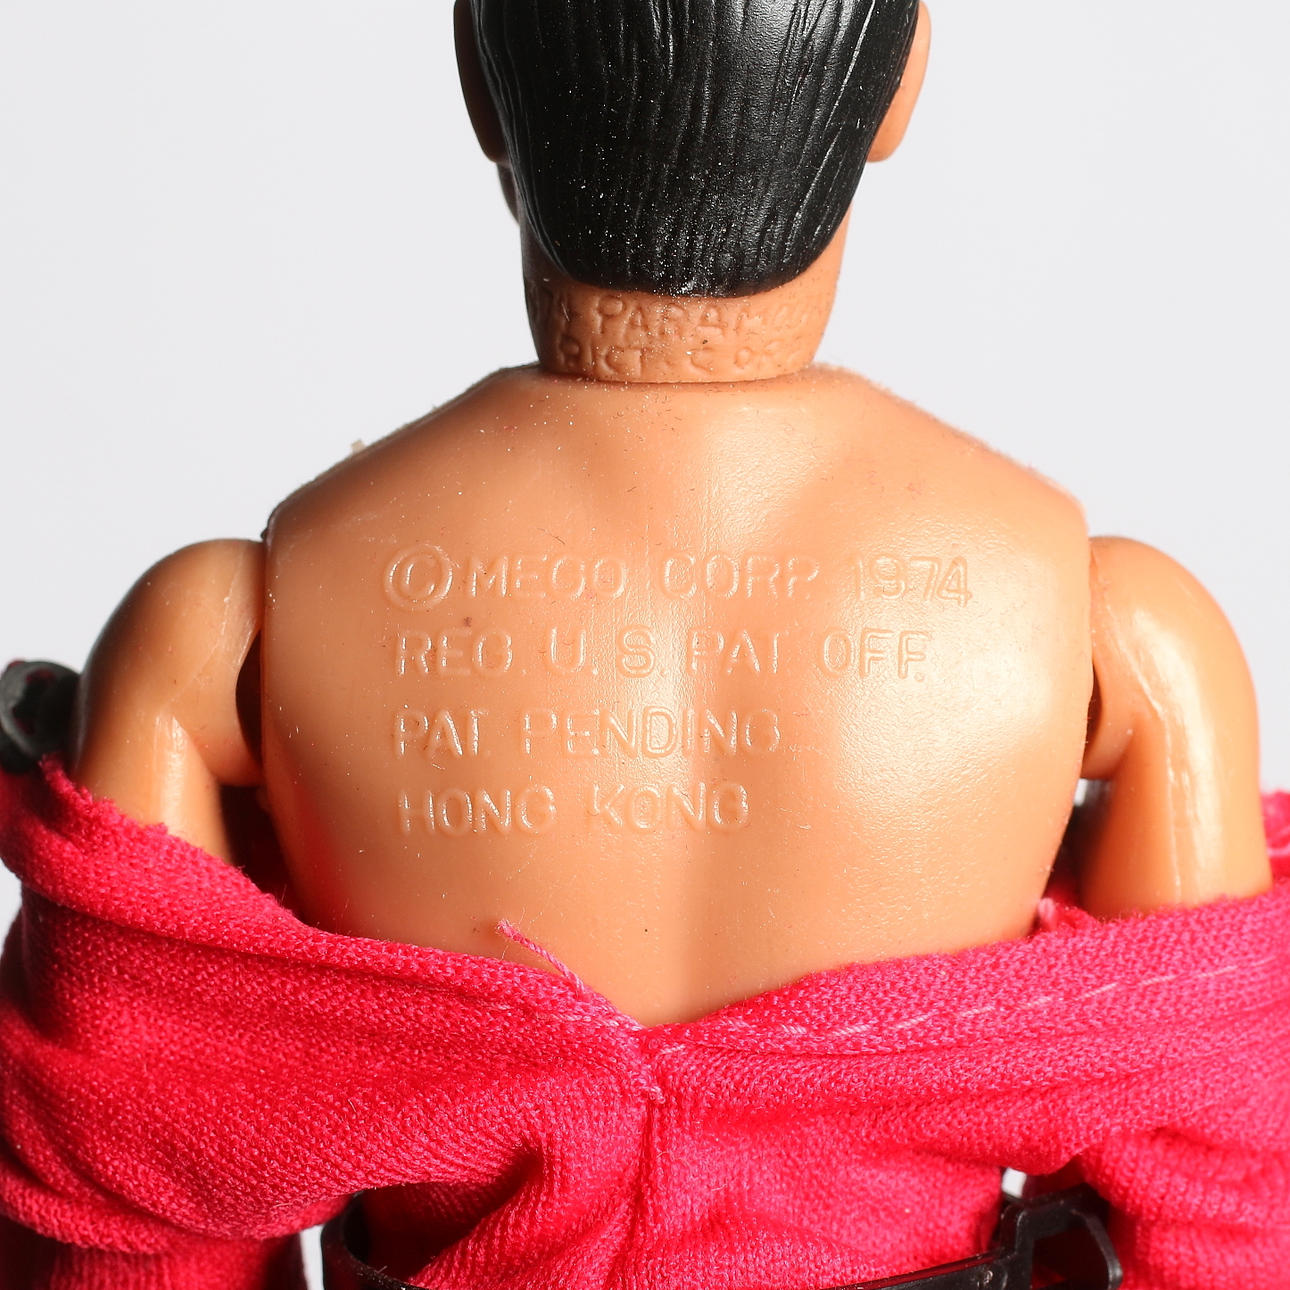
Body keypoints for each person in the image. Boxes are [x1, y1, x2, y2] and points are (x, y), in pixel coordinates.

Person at [0, 3, 1284, 1288]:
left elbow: (130, 1224)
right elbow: (1223, 1210)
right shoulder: (1125, 636)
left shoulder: (220, 634)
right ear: (897, 85)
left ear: (479, 76)